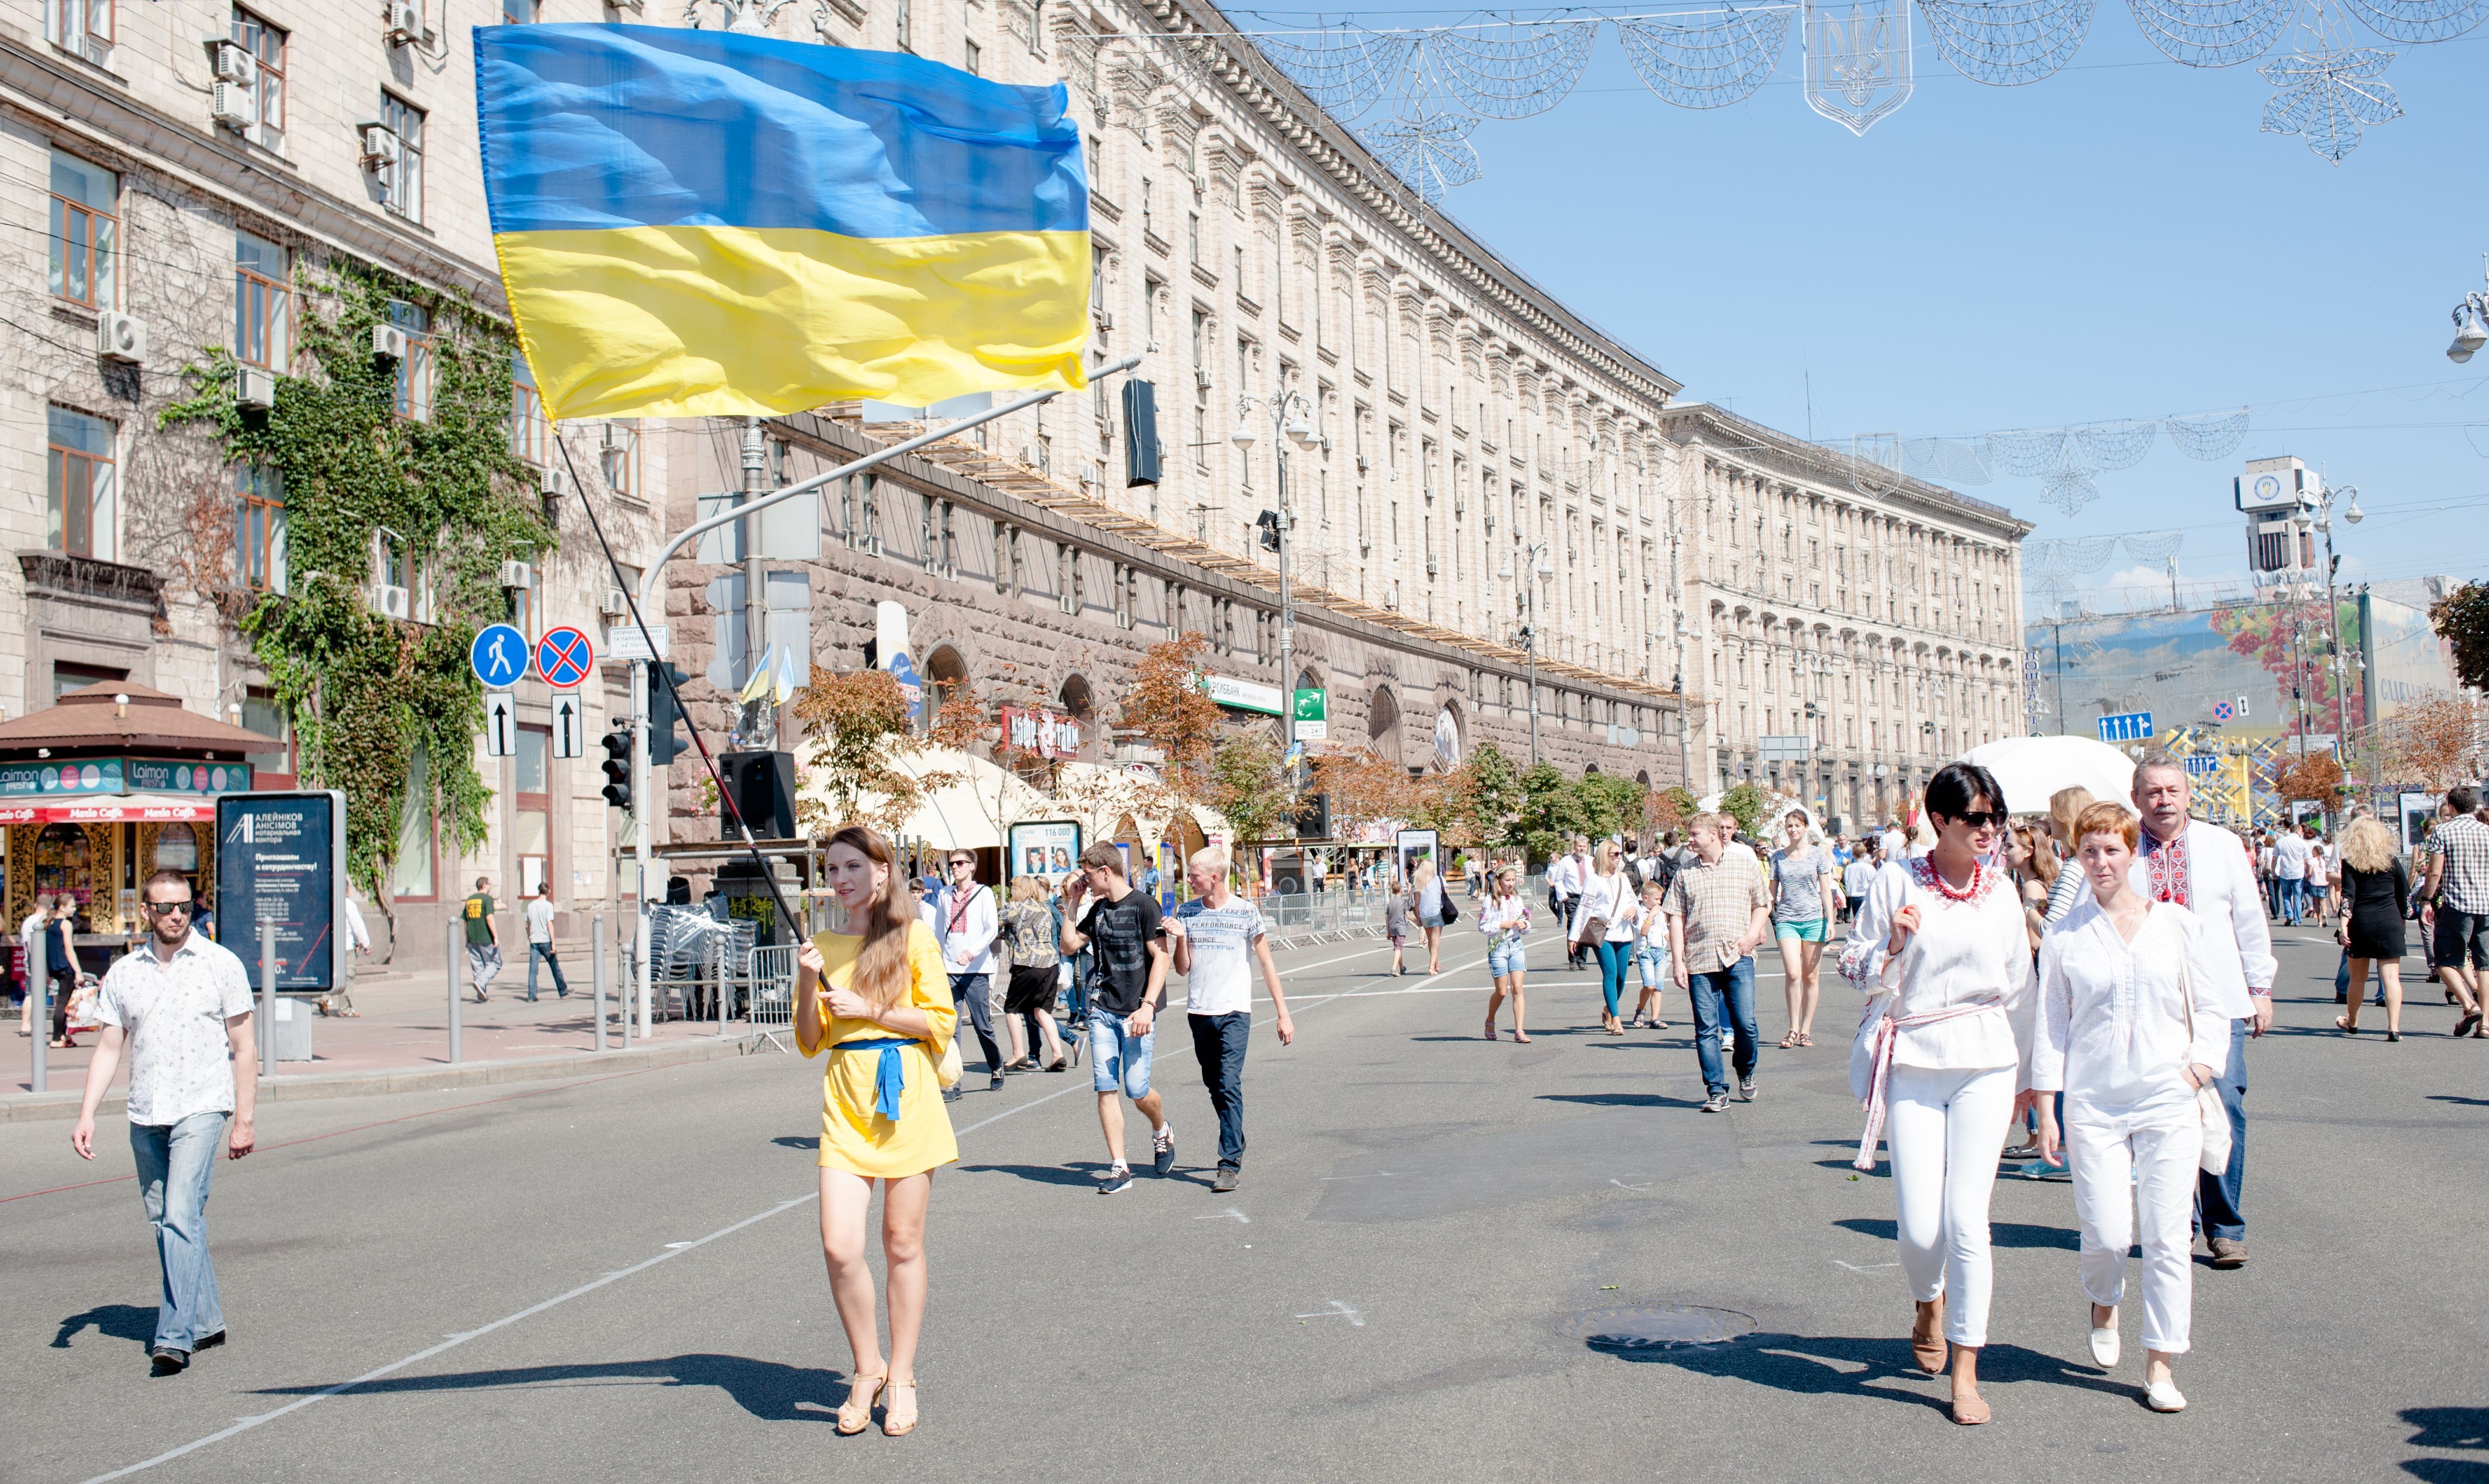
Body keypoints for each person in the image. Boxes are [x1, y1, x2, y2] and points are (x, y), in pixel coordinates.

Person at [2032, 802, 2245, 1416]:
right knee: (2105, 1233)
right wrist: (2046, 1107)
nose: (2101, 862)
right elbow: (2050, 1026)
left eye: (2112, 850)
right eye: (2089, 851)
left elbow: (2212, 1006)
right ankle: (2103, 1301)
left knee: (2166, 1236)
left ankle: (2160, 1363)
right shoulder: (2066, 934)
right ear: (2075, 856)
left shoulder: (2175, 924)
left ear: (2131, 854)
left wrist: (2198, 1069)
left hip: (2166, 1097)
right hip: (2094, 1101)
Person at [1839, 762, 2035, 1426]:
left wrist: (2030, 1079)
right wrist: (1891, 946)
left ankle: (1966, 1369)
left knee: (1967, 1220)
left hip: (1986, 1058)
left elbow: (2020, 985)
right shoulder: (1896, 880)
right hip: (1915, 1058)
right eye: (1976, 818)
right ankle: (1928, 1300)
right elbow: (1853, 965)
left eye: (1995, 818)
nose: (1989, 830)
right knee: (1920, 1226)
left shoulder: (2001, 891)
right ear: (1941, 820)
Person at [794, 824, 958, 1439]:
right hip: (845, 1101)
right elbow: (810, 1041)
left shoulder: (912, 937)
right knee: (840, 1246)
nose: (840, 879)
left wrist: (869, 1010)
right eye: (832, 869)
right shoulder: (821, 944)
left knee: (901, 1243)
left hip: (906, 1094)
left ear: (882, 872)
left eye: (852, 867)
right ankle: (869, 1367)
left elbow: (939, 1022)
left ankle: (903, 1375)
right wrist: (808, 981)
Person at [70, 869, 257, 1375]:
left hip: (201, 1106)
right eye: (166, 907)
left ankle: (173, 1337)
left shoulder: (221, 964)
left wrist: (244, 1120)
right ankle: (207, 1320)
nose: (177, 915)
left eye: (184, 907)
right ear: (146, 912)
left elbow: (244, 1048)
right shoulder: (125, 973)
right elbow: (109, 1048)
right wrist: (87, 1113)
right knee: (170, 1220)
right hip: (145, 1111)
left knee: (178, 1213)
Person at [2126, 750, 2274, 1270]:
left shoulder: (2221, 844)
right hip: (2151, 1005)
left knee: (2225, 1105)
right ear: (2136, 798)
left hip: (2218, 1001)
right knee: (2162, 1113)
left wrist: (2259, 987)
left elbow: (2249, 919)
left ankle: (2225, 1228)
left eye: (2172, 790)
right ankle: (2178, 1223)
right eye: (2153, 792)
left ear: (2188, 795)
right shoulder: (2123, 849)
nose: (2163, 800)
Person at [1168, 848, 1295, 1193]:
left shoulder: (1245, 912)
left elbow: (1267, 963)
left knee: (1228, 1082)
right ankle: (1235, 1133)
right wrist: (1181, 938)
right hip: (1200, 1011)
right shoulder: (1187, 912)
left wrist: (1283, 1014)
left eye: (1194, 875)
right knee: (1214, 1084)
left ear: (1214, 877)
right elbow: (1182, 969)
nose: (1188, 880)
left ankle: (1228, 1163)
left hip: (1235, 1012)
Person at [1057, 843, 1174, 1195]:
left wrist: (1148, 1006)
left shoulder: (1144, 905)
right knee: (1106, 1088)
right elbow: (1068, 946)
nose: (1084, 881)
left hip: (1136, 1012)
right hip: (1102, 1011)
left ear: (1105, 872)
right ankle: (1120, 1167)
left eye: (1087, 875)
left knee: (1138, 1090)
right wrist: (1074, 902)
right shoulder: (1098, 909)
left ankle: (1161, 1130)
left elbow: (1162, 958)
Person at [1665, 812, 1770, 1113]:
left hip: (1738, 956)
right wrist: (1677, 961)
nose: (1690, 840)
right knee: (1706, 1029)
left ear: (1712, 835)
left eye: (1694, 834)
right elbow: (1676, 918)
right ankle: (1716, 1090)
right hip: (1700, 960)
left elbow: (1762, 904)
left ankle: (1745, 1070)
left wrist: (1751, 937)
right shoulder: (1685, 873)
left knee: (1745, 1024)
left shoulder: (1744, 864)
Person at [2331, 815, 2413, 1038]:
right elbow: (2404, 895)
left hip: (2362, 923)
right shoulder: (2392, 861)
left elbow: (2348, 897)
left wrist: (2343, 926)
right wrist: (2403, 923)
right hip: (2390, 922)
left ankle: (2353, 1022)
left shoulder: (2350, 863)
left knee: (2358, 978)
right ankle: (2394, 1028)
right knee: (2391, 978)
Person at [932, 851, 1005, 1095]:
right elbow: (939, 930)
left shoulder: (983, 893)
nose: (955, 867)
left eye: (960, 863)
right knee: (950, 1028)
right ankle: (952, 1082)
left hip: (976, 971)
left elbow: (991, 929)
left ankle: (996, 1065)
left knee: (982, 1025)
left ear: (972, 866)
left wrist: (971, 953)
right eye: (952, 863)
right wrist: (936, 960)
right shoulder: (944, 894)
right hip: (949, 969)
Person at [2419, 785, 2489, 1037]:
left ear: (2451, 806)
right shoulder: (2487, 831)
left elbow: (2434, 872)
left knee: (2445, 960)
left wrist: (2426, 900)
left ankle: (2470, 1005)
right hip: (2486, 905)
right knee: (2484, 964)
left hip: (2458, 904)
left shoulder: (2443, 831)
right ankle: (2486, 1024)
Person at [1770, 815, 1838, 1050]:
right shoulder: (1777, 857)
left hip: (1813, 919)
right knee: (1793, 974)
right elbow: (1771, 894)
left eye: (1797, 825)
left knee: (1810, 977)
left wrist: (1830, 921)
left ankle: (1806, 1030)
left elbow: (1825, 890)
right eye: (1789, 826)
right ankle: (1793, 1027)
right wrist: (1756, 923)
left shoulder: (1817, 854)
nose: (1793, 829)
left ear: (1805, 827)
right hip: (1787, 919)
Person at [998, 875, 1067, 1072]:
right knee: (1042, 1010)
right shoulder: (1044, 907)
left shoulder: (1013, 908)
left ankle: (1018, 1053)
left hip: (1026, 962)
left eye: (1013, 886)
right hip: (1050, 962)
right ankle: (1058, 1054)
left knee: (1012, 1008)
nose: (1011, 890)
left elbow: (993, 925)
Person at [1576, 842, 1641, 1036]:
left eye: (1620, 854)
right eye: (1615, 854)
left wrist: (1634, 909)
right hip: (1602, 932)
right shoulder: (1593, 879)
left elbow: (1633, 900)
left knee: (1621, 976)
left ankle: (1608, 1009)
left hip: (1623, 932)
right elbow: (1584, 907)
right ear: (1605, 856)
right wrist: (1574, 936)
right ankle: (1616, 1018)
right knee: (1610, 973)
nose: (1619, 857)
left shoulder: (1623, 878)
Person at [1479, 865, 1532, 1043]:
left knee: (1517, 988)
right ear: (1499, 881)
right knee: (1501, 992)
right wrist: (1500, 925)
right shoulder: (1490, 901)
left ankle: (1519, 1031)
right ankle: (1490, 1020)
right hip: (1498, 947)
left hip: (1516, 945)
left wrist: (1524, 925)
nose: (1511, 884)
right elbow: (1483, 926)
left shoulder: (1517, 900)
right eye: (1507, 880)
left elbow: (1525, 920)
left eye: (1513, 880)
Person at [2042, 788, 2096, 926]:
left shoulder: (2073, 867)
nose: (2049, 820)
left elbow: (2049, 927)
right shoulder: (2081, 861)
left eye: (2052, 814)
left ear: (2065, 818)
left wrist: (2029, 908)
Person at [1628, 877, 1671, 1030]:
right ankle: (1641, 1009)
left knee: (1658, 987)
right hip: (1646, 953)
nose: (1660, 902)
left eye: (1660, 899)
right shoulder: (1640, 912)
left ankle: (1655, 1019)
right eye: (1657, 899)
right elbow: (1643, 932)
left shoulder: (1660, 913)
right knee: (1649, 985)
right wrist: (1651, 915)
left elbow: (1664, 931)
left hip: (1660, 952)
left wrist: (1677, 946)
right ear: (1646, 898)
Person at [322, 893, 369, 1018]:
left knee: (333, 975)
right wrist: (365, 943)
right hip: (346, 946)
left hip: (329, 947)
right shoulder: (347, 904)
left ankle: (325, 998)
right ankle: (345, 1008)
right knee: (348, 976)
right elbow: (358, 925)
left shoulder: (326, 902)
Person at [1550, 836, 1592, 970]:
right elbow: (1559, 880)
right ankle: (1573, 959)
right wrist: (1564, 897)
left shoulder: (1592, 861)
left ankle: (1582, 960)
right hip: (1572, 898)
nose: (1582, 849)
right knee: (1574, 926)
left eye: (1584, 846)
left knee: (1585, 928)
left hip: (1587, 899)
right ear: (1574, 847)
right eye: (1579, 846)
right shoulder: (1566, 861)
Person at [523, 885, 569, 1003]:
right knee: (555, 967)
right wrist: (553, 943)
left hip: (534, 941)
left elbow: (527, 925)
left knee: (533, 970)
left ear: (538, 891)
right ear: (548, 891)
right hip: (545, 941)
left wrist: (530, 937)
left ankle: (532, 996)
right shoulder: (548, 906)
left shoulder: (531, 905)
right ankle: (563, 992)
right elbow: (549, 924)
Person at [44, 893, 79, 1048]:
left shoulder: (49, 923)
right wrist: (78, 971)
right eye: (72, 906)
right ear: (62, 908)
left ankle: (63, 1036)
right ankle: (57, 1038)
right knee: (63, 1003)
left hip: (54, 966)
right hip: (66, 967)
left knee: (62, 1002)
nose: (75, 909)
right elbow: (69, 950)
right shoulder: (65, 924)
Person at [461, 878, 501, 1003]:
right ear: (484, 886)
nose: (491, 886)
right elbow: (489, 918)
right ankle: (480, 983)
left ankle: (481, 996)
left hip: (472, 938)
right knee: (495, 963)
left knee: (478, 967)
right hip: (486, 937)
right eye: (490, 884)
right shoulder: (487, 899)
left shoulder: (470, 900)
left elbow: (466, 922)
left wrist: (467, 939)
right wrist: (495, 936)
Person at [19, 892, 48, 1039]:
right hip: (37, 962)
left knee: (30, 994)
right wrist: (39, 963)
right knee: (34, 994)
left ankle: (26, 1024)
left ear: (36, 905)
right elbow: (32, 944)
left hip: (30, 961)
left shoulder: (28, 921)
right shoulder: (43, 921)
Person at [2271, 824, 2311, 927]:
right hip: (2298, 873)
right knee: (2298, 896)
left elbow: (2274, 858)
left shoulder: (2281, 842)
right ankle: (2298, 920)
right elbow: (2307, 860)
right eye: (2301, 831)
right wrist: (2308, 872)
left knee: (2286, 894)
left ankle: (2289, 914)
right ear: (2297, 831)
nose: (2302, 833)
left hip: (2285, 872)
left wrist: (2273, 871)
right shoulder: (2303, 843)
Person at [1414, 860, 1449, 975]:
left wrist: (1418, 917)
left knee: (1431, 940)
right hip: (1436, 911)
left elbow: (1417, 902)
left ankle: (1436, 964)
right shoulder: (1439, 879)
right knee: (1436, 939)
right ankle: (1431, 967)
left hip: (1424, 913)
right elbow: (1446, 894)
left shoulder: (1419, 881)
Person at [1843, 842, 1880, 924]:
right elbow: (1875, 882)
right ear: (1864, 853)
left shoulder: (1848, 868)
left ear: (1853, 854)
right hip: (1865, 895)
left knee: (1857, 920)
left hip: (1854, 896)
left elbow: (1846, 881)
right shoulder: (1869, 868)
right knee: (1866, 921)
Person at [1383, 879, 1411, 976]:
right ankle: (1394, 968)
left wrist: (1388, 932)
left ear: (1393, 891)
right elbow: (1408, 916)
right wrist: (1417, 921)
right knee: (1398, 948)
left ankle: (1402, 967)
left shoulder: (1390, 904)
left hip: (1392, 928)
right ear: (1402, 890)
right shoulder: (1404, 902)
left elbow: (1387, 918)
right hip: (1401, 928)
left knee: (1398, 948)